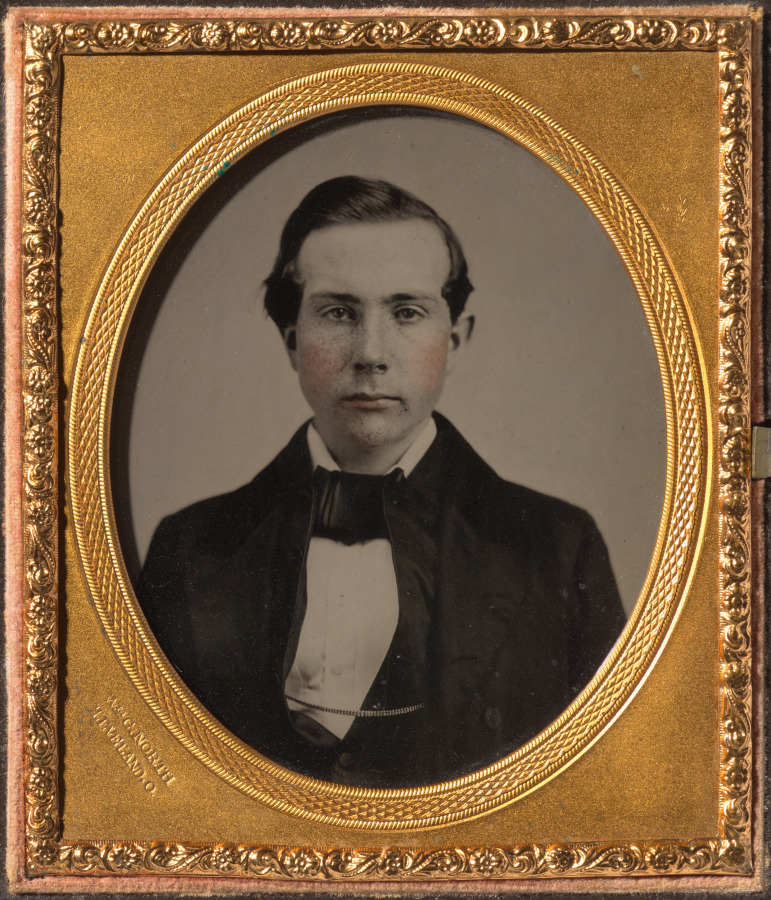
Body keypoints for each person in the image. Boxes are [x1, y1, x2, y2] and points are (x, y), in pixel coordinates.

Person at [137, 176, 626, 788]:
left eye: (406, 312)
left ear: (454, 340)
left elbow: (604, 783)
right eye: (338, 312)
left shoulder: (557, 547)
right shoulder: (190, 548)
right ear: (292, 341)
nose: (371, 352)